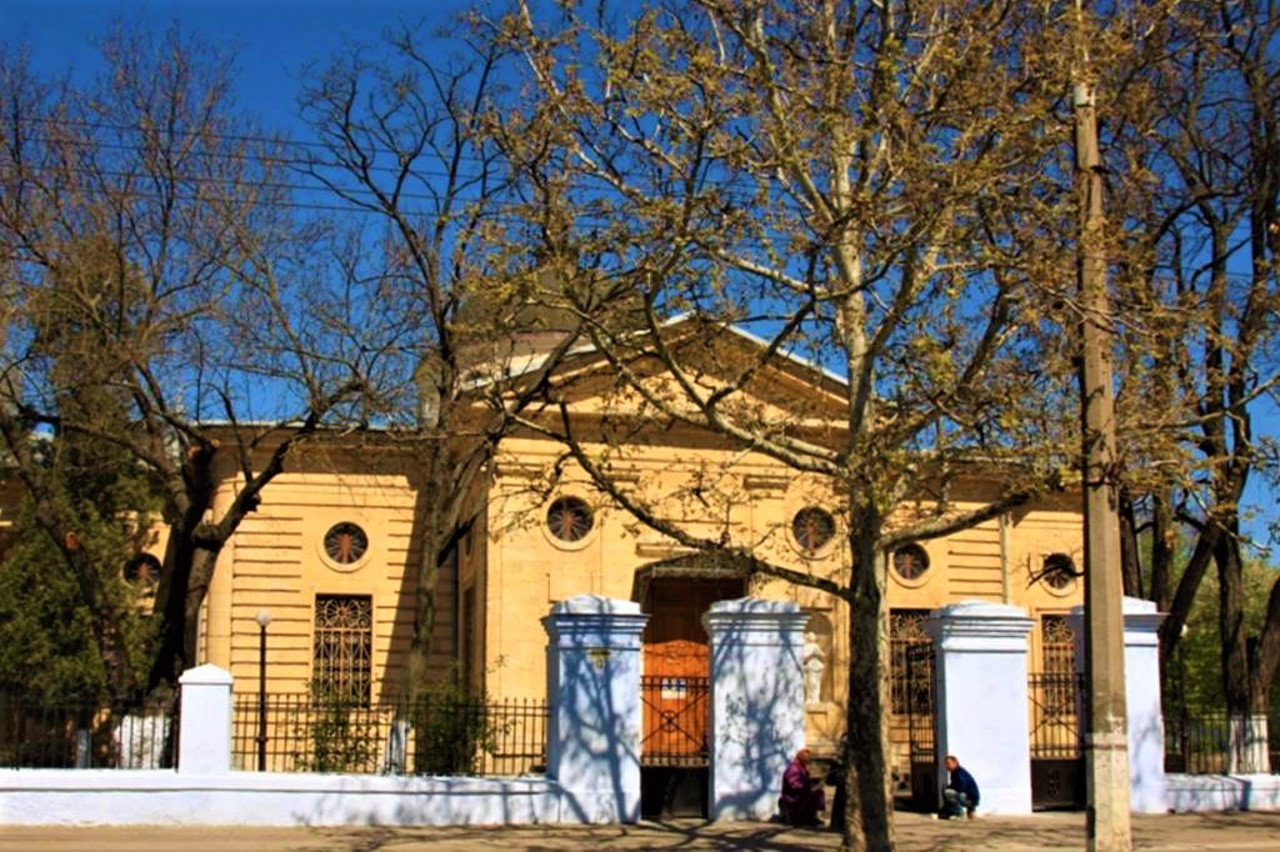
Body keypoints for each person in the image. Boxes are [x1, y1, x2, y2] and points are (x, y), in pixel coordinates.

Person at [779, 747, 827, 827]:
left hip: (801, 793)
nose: (808, 759)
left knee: (818, 792)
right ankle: (804, 818)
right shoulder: (793, 768)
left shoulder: (802, 768)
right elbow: (793, 784)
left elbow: (804, 780)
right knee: (815, 794)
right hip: (792, 796)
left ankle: (812, 816)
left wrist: (813, 782)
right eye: (806, 757)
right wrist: (806, 786)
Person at [937, 754, 980, 820]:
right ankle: (971, 811)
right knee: (949, 790)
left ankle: (959, 813)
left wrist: (950, 788)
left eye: (948, 764)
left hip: (971, 799)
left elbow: (961, 787)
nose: (946, 766)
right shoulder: (956, 772)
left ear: (955, 763)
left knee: (948, 792)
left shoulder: (959, 773)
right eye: (945, 764)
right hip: (971, 798)